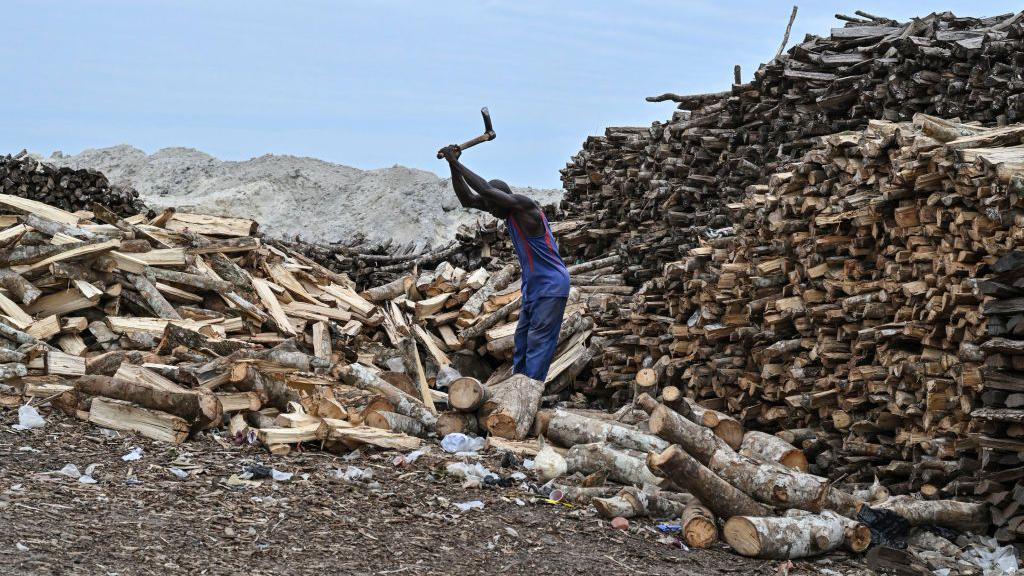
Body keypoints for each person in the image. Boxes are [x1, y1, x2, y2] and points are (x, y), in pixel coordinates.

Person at [439, 144, 570, 381]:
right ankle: (517, 386)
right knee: (522, 339)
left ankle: (530, 387)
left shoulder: (525, 209)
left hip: (551, 284)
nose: (490, 211)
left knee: (539, 341)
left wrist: (457, 162)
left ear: (502, 199)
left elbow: (485, 190)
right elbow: (468, 199)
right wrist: (452, 165)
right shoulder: (506, 211)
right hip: (533, 286)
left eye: (491, 205)